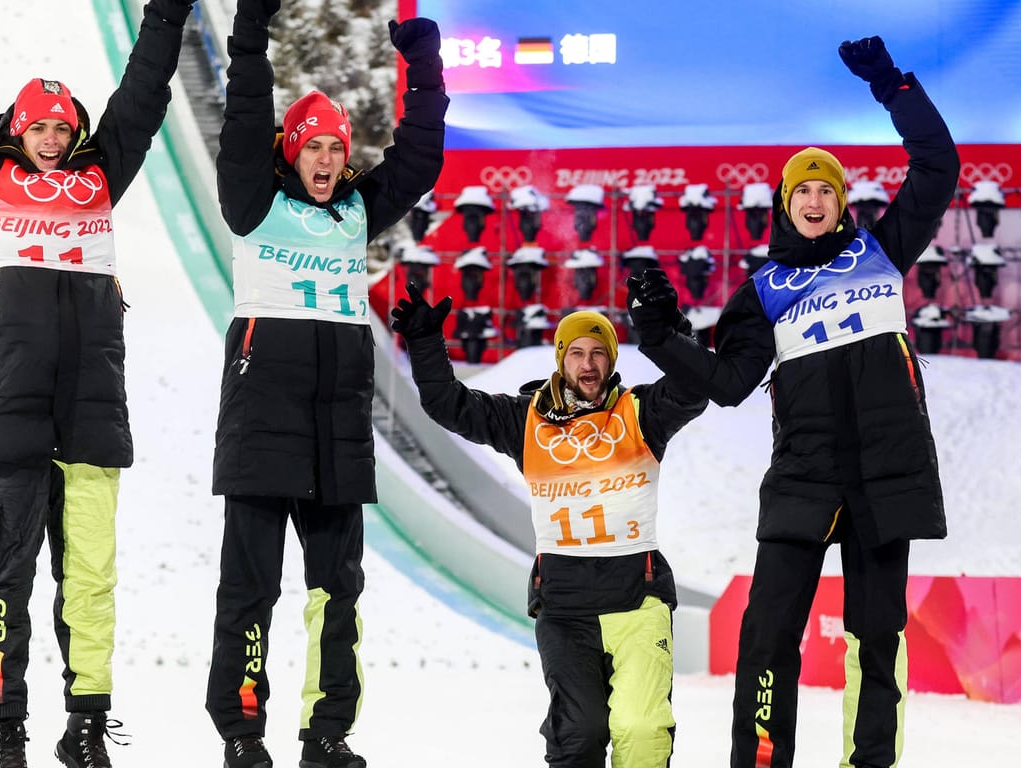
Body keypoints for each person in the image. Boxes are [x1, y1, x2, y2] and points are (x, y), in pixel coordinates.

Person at [625, 36, 958, 768]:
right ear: (784, 203)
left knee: (877, 636)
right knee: (768, 636)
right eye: (802, 189)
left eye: (826, 188)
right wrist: (656, 333)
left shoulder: (881, 249)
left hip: (883, 473)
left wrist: (891, 88)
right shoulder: (762, 292)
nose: (814, 198)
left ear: (841, 202)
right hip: (804, 479)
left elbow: (939, 167)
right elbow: (726, 383)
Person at [0, 0, 195, 765]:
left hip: (91, 420)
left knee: (90, 584)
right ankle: (6, 729)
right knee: (6, 583)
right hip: (14, 421)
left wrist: (167, 16)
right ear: (17, 131)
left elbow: (143, 96)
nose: (50, 140)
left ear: (75, 133)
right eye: (38, 127)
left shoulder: (99, 179)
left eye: (60, 128)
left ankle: (85, 726)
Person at [204, 1, 448, 766]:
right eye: (312, 149)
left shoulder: (355, 213)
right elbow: (243, 116)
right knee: (250, 590)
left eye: (336, 152)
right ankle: (243, 731)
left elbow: (420, 157)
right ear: (291, 152)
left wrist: (424, 67)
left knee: (335, 595)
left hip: (337, 432)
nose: (325, 162)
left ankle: (327, 733)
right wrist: (250, 34)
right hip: (260, 420)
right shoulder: (255, 203)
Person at [390, 286, 709, 768]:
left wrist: (671, 330)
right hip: (565, 608)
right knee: (579, 735)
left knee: (641, 731)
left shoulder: (640, 413)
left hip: (637, 601)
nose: (588, 364)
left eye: (599, 353)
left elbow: (694, 386)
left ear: (612, 360)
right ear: (561, 360)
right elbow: (449, 405)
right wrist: (425, 343)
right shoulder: (526, 420)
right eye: (577, 352)